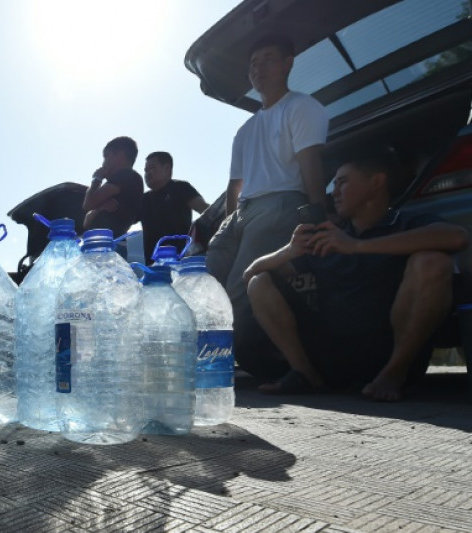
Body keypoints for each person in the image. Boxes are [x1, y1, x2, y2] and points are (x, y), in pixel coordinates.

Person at [242, 153, 468, 401]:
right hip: (330, 356)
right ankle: (304, 374)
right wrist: (290, 250)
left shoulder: (405, 222)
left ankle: (394, 373)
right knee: (259, 282)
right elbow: (250, 273)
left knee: (433, 261)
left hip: (390, 354)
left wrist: (356, 246)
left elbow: (457, 237)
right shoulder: (327, 237)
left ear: (376, 182)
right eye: (334, 185)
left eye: (343, 182)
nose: (334, 192)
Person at [204, 34, 329, 332]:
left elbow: (311, 166)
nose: (258, 68)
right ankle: (199, 342)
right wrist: (231, 224)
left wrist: (318, 219)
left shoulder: (301, 107)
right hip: (242, 213)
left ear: (288, 64)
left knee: (239, 287)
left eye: (268, 59)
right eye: (253, 63)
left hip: (281, 204)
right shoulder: (245, 130)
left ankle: (229, 350)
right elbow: (234, 185)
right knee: (205, 280)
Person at [139, 151, 209, 261]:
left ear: (167, 168)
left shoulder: (181, 188)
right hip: (154, 265)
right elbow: (126, 217)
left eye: (152, 168)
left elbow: (207, 212)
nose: (148, 173)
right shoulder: (144, 199)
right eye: (146, 170)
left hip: (182, 261)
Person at [82, 136, 144, 241]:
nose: (103, 163)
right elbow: (86, 221)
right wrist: (98, 210)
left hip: (108, 243)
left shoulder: (126, 175)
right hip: (105, 242)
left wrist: (97, 179)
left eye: (106, 156)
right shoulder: (127, 180)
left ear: (120, 155)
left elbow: (88, 204)